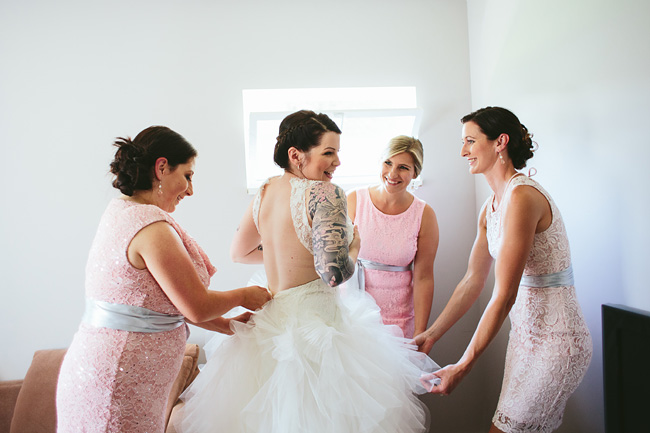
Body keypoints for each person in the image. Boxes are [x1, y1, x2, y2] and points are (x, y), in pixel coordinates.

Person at [175, 110, 438, 433]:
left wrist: (291, 256)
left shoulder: (265, 191)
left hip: (270, 323)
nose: (337, 162)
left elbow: (239, 252)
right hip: (317, 329)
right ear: (296, 156)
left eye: (338, 153)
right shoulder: (325, 193)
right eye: (329, 153)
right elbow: (334, 275)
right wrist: (354, 245)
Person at [56, 126, 271, 433]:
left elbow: (167, 303)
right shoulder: (152, 228)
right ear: (161, 168)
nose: (190, 189)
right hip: (118, 381)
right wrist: (244, 295)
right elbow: (196, 306)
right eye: (188, 175)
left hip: (117, 374)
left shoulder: (123, 211)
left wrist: (228, 325)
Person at [415, 107, 592, 433]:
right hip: (524, 338)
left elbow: (504, 295)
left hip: (558, 342)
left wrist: (463, 366)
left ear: (500, 142)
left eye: (470, 141)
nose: (463, 151)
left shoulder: (522, 196)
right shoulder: (490, 207)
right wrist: (432, 334)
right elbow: (472, 280)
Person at [346, 135, 439, 339]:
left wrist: (420, 332)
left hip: (399, 320)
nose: (392, 173)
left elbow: (423, 278)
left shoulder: (424, 214)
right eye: (388, 163)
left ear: (415, 172)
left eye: (403, 167)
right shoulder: (354, 200)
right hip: (353, 314)